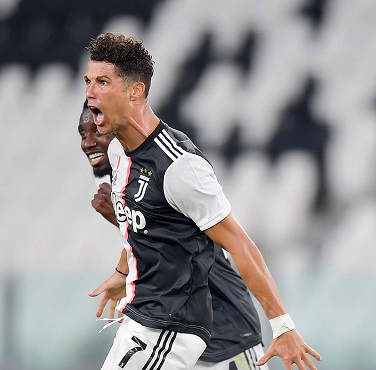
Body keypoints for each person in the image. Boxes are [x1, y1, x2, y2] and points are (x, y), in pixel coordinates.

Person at [83, 32, 321, 370]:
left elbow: (239, 244)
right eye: (88, 81)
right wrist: (124, 271)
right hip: (157, 322)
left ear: (135, 90)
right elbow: (147, 228)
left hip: (203, 332)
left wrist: (282, 325)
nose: (89, 91)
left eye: (102, 82)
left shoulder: (180, 167)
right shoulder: (120, 152)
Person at [79, 101, 268, 369]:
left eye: (96, 130)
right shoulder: (113, 173)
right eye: (82, 133)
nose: (88, 142)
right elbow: (148, 241)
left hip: (226, 333)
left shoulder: (164, 165)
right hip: (173, 334)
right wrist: (126, 270)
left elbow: (183, 241)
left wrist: (282, 323)